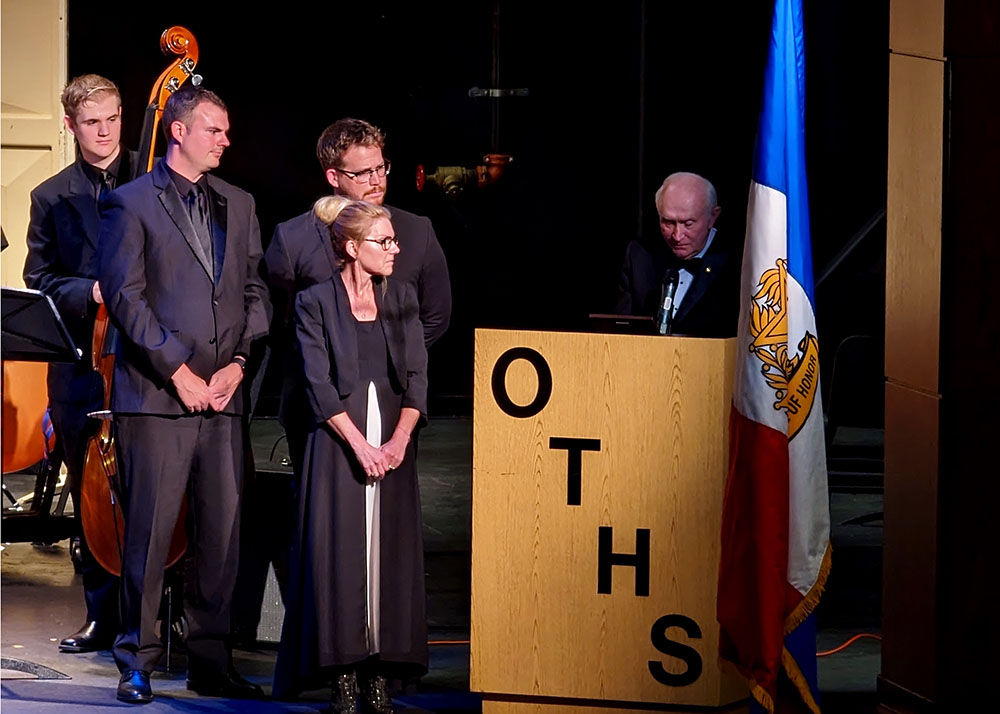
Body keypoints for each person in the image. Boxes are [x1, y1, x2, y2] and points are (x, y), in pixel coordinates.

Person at [230, 118, 451, 645]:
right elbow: (283, 319)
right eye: (362, 172)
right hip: (322, 410)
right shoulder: (293, 238)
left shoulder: (413, 232)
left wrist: (390, 365)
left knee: (387, 531)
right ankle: (331, 651)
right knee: (326, 534)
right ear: (333, 176)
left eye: (382, 167)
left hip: (393, 403)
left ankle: (385, 651)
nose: (376, 180)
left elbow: (435, 317)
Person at [97, 85, 269, 703]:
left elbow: (255, 291)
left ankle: (210, 659)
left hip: (224, 399)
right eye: (215, 131)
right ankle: (136, 660)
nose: (226, 141)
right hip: (158, 398)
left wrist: (240, 364)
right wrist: (179, 371)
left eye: (226, 132)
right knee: (148, 532)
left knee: (222, 536)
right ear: (178, 132)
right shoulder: (130, 204)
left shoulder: (239, 203)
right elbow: (126, 298)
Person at [273, 196, 428, 714]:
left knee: (388, 555)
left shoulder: (402, 296)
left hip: (393, 441)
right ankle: (342, 673)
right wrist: (360, 445)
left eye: (393, 240)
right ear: (351, 247)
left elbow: (417, 379)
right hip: (338, 441)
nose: (394, 249)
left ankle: (380, 674)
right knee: (339, 555)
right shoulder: (314, 301)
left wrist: (398, 442)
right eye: (383, 242)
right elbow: (317, 382)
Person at [23, 73, 139, 654]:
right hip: (80, 364)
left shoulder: (154, 177)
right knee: (90, 492)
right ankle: (101, 613)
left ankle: (159, 614)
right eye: (92, 122)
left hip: (147, 363)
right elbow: (38, 279)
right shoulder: (50, 196)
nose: (105, 131)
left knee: (150, 491)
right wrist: (89, 292)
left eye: (113, 119)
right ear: (70, 126)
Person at [615, 172, 739, 337]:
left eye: (688, 224)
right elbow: (621, 331)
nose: (677, 236)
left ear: (712, 216)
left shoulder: (737, 262)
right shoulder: (640, 256)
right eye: (668, 222)